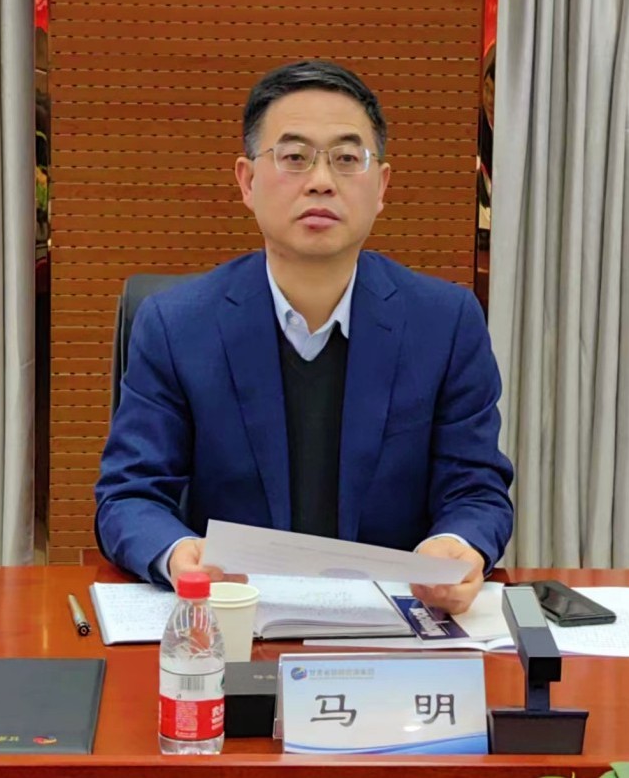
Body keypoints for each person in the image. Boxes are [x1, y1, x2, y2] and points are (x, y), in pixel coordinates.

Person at [95, 60, 513, 614]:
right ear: (247, 181)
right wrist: (177, 553)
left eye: (347, 159)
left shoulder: (445, 322)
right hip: (231, 622)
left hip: (393, 625)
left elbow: (476, 489)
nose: (321, 181)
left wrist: (456, 544)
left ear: (382, 186)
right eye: (294, 157)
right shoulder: (177, 325)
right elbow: (129, 495)